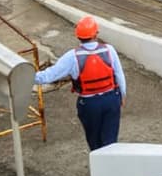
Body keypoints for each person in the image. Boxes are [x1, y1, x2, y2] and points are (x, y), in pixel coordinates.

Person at [35, 15, 125, 151]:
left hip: (89, 105)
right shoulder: (109, 50)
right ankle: (110, 168)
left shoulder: (72, 57)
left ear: (78, 36)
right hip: (111, 100)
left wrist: (26, 76)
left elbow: (48, 76)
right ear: (96, 34)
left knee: (94, 143)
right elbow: (119, 75)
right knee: (110, 142)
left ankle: (98, 167)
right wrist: (121, 96)